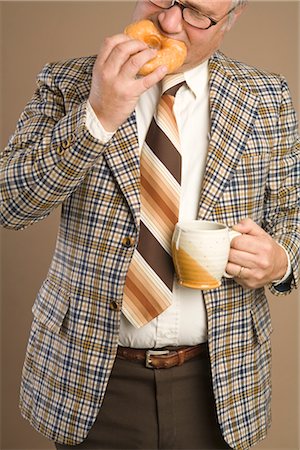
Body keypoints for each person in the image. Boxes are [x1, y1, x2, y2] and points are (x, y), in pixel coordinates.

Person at [1, 0, 299, 448]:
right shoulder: (70, 83)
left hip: (220, 380)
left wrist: (281, 260)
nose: (170, 21)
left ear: (231, 20)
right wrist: (97, 115)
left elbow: (293, 213)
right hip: (93, 377)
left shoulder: (267, 97)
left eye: (198, 13)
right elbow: (10, 203)